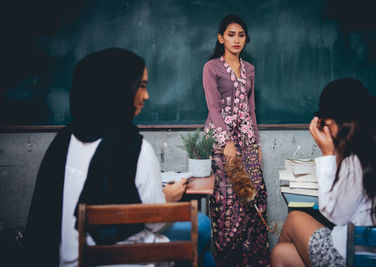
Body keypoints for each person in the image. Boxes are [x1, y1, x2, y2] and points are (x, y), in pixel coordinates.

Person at [22, 48, 214, 267]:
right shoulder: (136, 149)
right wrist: (169, 197)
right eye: (141, 86)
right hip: (126, 259)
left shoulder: (63, 142)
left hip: (65, 258)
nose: (147, 96)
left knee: (203, 252)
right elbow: (156, 223)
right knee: (203, 235)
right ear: (120, 90)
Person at [270, 78, 376, 266]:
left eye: (328, 124)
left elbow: (336, 215)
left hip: (355, 258)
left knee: (295, 218)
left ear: (342, 124)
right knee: (281, 254)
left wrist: (328, 155)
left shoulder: (357, 162)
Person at [202, 14, 269, 266]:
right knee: (227, 200)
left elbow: (250, 108)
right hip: (222, 142)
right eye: (231, 34)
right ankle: (226, 259)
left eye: (241, 35)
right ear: (221, 38)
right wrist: (227, 142)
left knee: (256, 198)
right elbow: (213, 107)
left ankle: (252, 260)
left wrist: (256, 144)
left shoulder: (249, 69)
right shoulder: (212, 67)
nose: (236, 39)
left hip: (247, 140)